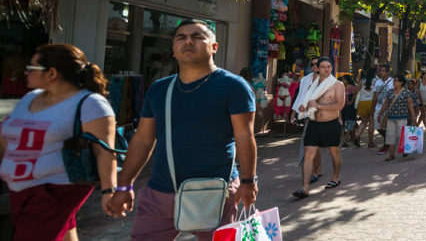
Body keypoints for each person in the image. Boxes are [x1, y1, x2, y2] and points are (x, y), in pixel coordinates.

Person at [109, 19, 258, 240]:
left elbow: (245, 136)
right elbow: (142, 140)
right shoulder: (160, 89)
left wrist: (248, 181)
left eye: (197, 37)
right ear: (173, 50)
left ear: (214, 47)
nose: (188, 41)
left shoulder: (233, 86)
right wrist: (124, 185)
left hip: (215, 190)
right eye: (181, 37)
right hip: (161, 191)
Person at [0, 44, 117, 241]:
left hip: (56, 190)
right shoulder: (29, 98)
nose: (25, 72)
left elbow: (104, 151)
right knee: (65, 233)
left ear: (51, 73)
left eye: (31, 68)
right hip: (21, 190)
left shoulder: (90, 103)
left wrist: (109, 191)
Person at [293, 57, 344, 198]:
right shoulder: (312, 86)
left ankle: (336, 177)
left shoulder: (337, 85)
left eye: (329, 66)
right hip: (314, 123)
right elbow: (305, 102)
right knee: (309, 154)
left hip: (331, 123)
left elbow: (339, 105)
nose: (326, 69)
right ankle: (305, 188)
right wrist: (303, 108)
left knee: (334, 151)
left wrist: (319, 105)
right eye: (323, 66)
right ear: (317, 68)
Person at [293, 57, 324, 181]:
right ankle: (318, 169)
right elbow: (300, 97)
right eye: (312, 64)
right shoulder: (306, 79)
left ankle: (315, 172)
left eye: (317, 64)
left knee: (314, 144)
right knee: (314, 144)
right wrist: (293, 114)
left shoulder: (328, 80)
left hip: (322, 115)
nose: (314, 66)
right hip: (308, 115)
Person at [377, 75, 417, 161]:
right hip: (391, 117)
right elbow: (385, 104)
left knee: (401, 135)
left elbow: (410, 104)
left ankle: (404, 149)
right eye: (394, 80)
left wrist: (413, 115)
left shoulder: (406, 92)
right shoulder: (390, 92)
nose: (394, 82)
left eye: (396, 80)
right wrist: (380, 114)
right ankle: (392, 155)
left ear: (401, 82)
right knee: (390, 136)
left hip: (402, 117)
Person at [371, 66, 394, 155]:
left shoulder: (392, 81)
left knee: (387, 127)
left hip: (388, 108)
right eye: (380, 71)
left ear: (388, 72)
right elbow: (375, 95)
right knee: (378, 126)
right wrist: (372, 108)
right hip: (378, 107)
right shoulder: (377, 82)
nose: (381, 72)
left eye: (383, 71)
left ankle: (386, 145)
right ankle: (388, 140)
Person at [354, 67, 379, 147]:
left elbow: (356, 91)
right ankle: (370, 142)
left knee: (364, 121)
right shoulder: (376, 80)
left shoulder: (362, 80)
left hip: (362, 102)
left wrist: (352, 101)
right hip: (372, 102)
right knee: (371, 123)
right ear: (375, 73)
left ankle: (358, 137)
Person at [341, 75, 360, 147]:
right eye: (342, 79)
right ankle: (354, 139)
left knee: (350, 123)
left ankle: (344, 141)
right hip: (343, 108)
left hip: (350, 108)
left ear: (348, 80)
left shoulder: (352, 87)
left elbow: (355, 95)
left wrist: (351, 102)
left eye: (344, 79)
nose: (343, 81)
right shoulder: (341, 87)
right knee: (349, 123)